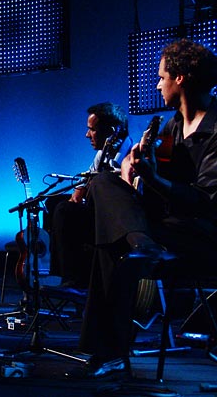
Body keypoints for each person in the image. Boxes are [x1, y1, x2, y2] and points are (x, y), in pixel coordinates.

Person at [65, 38, 217, 379]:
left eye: (162, 77)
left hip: (202, 236)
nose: (158, 84)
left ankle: (108, 352)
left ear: (180, 78)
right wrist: (132, 168)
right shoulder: (171, 126)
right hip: (163, 230)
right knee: (103, 183)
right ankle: (141, 243)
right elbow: (155, 183)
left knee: (113, 243)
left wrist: (153, 178)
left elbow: (205, 202)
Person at [48, 102, 133, 290]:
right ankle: (62, 273)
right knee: (54, 203)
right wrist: (77, 194)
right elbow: (82, 186)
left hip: (115, 222)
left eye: (92, 130)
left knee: (63, 211)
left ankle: (74, 279)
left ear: (112, 131)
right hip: (97, 213)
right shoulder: (102, 154)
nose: (87, 135)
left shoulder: (131, 155)